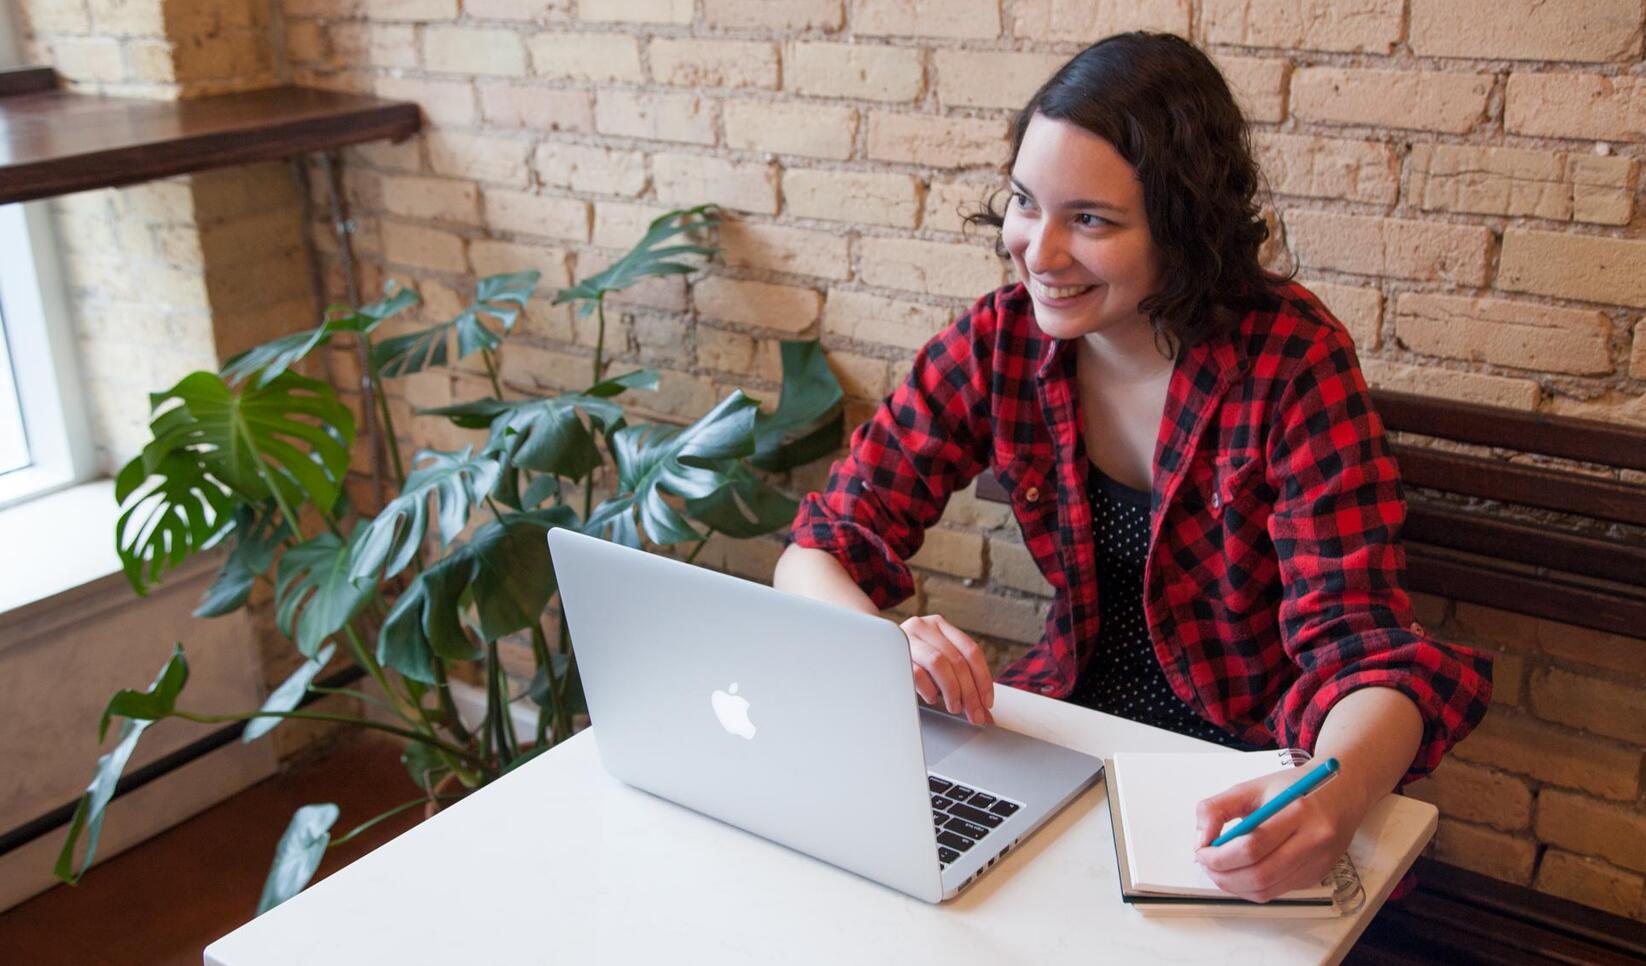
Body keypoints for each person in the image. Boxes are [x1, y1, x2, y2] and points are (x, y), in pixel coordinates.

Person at [772, 31, 1492, 903]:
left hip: (1242, 770)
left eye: (1091, 220)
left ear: (1184, 227)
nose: (1038, 251)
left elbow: (1364, 649)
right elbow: (820, 548)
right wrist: (886, 643)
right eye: (1025, 203)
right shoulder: (1000, 340)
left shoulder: (1291, 361)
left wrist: (1332, 795)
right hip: (1060, 739)